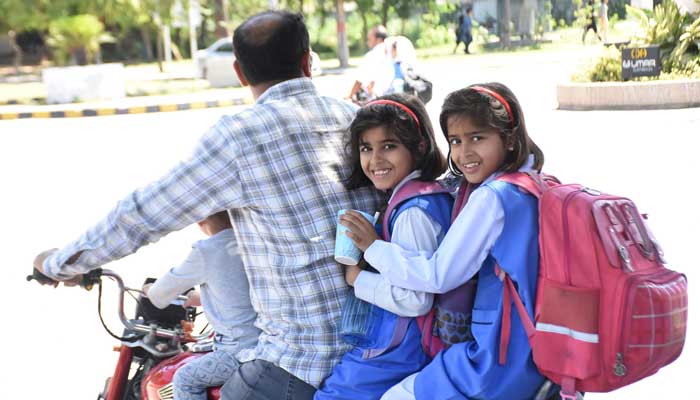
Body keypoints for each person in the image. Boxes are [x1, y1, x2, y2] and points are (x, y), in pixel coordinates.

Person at [33, 10, 381, 400]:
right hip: (379, 351)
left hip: (300, 363)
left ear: (239, 73)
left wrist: (60, 263)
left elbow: (142, 215)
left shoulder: (239, 137)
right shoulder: (357, 120)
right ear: (307, 60)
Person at [339, 83, 547, 400]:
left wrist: (372, 251)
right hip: (530, 341)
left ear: (509, 137)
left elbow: (437, 276)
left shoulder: (492, 197)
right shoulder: (528, 180)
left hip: (497, 355)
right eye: (456, 141)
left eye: (478, 137)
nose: (464, 153)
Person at [315, 93, 452, 400]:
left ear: (419, 147)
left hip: (402, 348)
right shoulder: (419, 195)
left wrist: (357, 277)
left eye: (388, 146)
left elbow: (416, 299)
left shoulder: (414, 212)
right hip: (400, 343)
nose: (375, 160)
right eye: (366, 148)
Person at [142, 211, 260, 400]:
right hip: (267, 344)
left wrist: (149, 289)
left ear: (201, 219)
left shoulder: (208, 250)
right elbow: (238, 289)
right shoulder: (253, 243)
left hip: (239, 352)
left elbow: (160, 295)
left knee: (183, 378)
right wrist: (200, 297)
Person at [347, 25, 394, 104]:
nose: (367, 42)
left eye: (369, 39)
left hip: (378, 99)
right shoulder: (394, 53)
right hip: (393, 96)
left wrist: (349, 96)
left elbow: (359, 80)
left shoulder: (372, 55)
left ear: (378, 40)